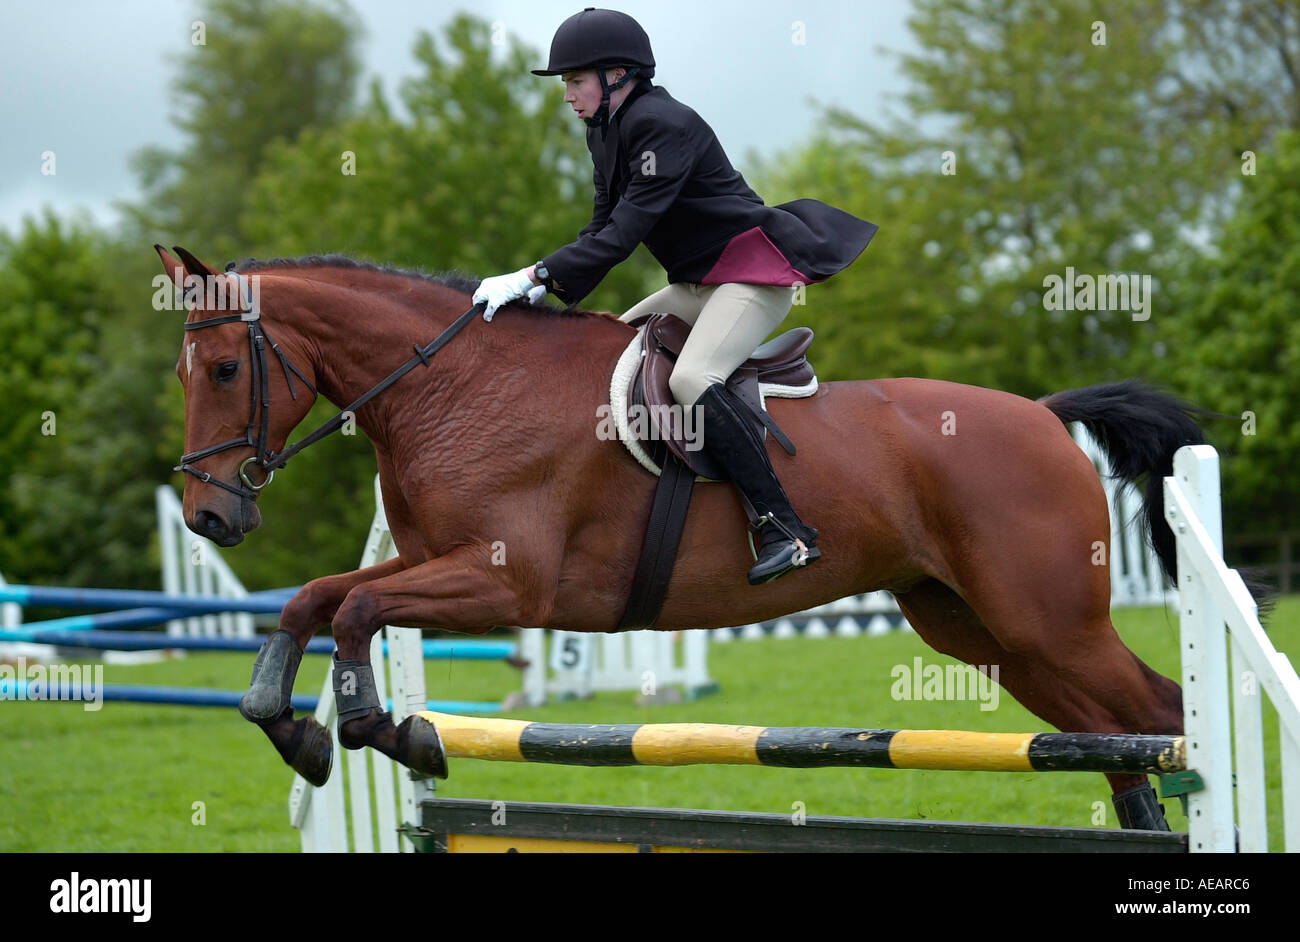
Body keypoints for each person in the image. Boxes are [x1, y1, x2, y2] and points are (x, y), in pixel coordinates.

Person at [474, 7, 876, 585]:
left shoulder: (664, 124)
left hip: (750, 280)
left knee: (691, 380)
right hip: (694, 286)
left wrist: (533, 276)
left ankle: (784, 528)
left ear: (617, 75)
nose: (566, 95)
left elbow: (622, 236)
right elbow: (599, 230)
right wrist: (543, 289)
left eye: (573, 81)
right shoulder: (605, 131)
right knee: (609, 348)